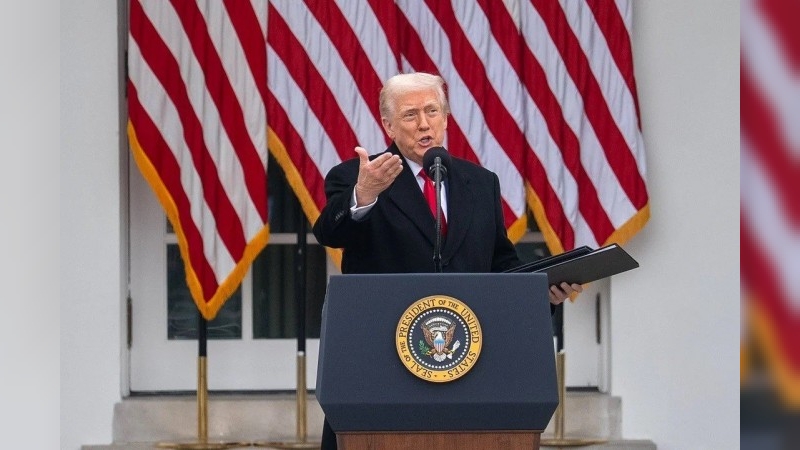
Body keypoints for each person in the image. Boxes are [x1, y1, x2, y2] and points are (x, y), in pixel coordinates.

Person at [311, 72, 582, 450]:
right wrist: (364, 194)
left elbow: (500, 264)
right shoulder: (359, 177)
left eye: (432, 111)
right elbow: (330, 232)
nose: (424, 124)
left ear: (446, 117)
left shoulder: (480, 182)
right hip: (383, 365)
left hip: (469, 363)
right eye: (410, 115)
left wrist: (541, 292)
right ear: (388, 126)